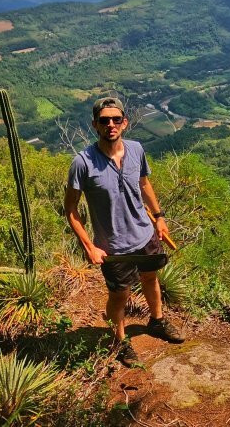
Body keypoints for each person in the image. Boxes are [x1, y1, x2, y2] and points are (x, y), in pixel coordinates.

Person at [65, 96, 185, 365]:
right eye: (104, 120)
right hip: (113, 245)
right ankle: (119, 341)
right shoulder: (83, 163)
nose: (111, 124)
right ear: (95, 125)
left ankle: (157, 321)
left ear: (125, 123)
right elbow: (71, 210)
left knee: (151, 279)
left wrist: (159, 217)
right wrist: (89, 246)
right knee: (120, 294)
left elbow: (144, 184)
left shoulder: (136, 149)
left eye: (116, 119)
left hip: (144, 233)